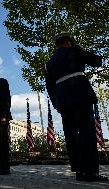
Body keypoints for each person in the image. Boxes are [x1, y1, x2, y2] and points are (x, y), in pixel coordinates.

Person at [45, 32, 108, 182]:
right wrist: (80, 50)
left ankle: (79, 171)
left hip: (63, 101)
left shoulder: (48, 64)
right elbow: (97, 61)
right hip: (81, 95)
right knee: (87, 134)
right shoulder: (75, 51)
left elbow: (49, 87)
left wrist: (56, 104)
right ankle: (90, 171)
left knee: (71, 135)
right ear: (69, 42)